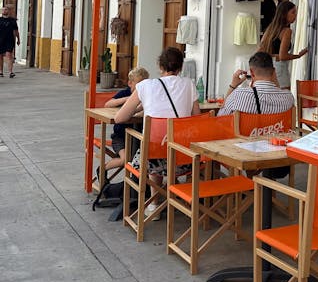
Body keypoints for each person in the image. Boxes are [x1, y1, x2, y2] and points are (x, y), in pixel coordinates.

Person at [115, 47, 199, 218]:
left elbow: (119, 118)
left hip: (150, 157)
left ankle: (154, 203)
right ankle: (174, 197)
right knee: (165, 146)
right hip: (183, 157)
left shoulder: (145, 86)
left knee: (154, 145)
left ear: (160, 66)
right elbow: (196, 118)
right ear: (180, 67)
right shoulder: (189, 84)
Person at [102, 67, 150, 175]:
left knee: (142, 158)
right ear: (130, 83)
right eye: (139, 84)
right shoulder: (125, 93)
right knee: (125, 159)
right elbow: (107, 104)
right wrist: (127, 99)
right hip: (120, 137)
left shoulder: (146, 96)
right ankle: (103, 169)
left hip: (137, 136)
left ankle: (137, 184)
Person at [219, 50, 295, 116]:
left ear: (251, 72)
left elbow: (220, 117)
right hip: (276, 132)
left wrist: (233, 86)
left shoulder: (238, 95)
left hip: (248, 133)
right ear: (273, 71)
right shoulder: (288, 97)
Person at [258, 0, 308, 89]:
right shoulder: (287, 31)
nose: (295, 15)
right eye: (293, 12)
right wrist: (298, 55)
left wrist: (272, 56)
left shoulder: (271, 28)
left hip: (267, 67)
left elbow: (260, 50)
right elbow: (283, 56)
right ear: (285, 14)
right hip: (279, 67)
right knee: (284, 97)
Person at [0, 5, 20, 78]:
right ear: (1, 11)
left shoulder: (12, 20)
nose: (4, 11)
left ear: (8, 11)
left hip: (10, 40)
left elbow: (16, 31)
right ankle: (1, 72)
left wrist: (18, 39)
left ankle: (11, 72)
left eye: (6, 9)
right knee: (0, 56)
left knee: (9, 55)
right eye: (3, 10)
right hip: (0, 40)